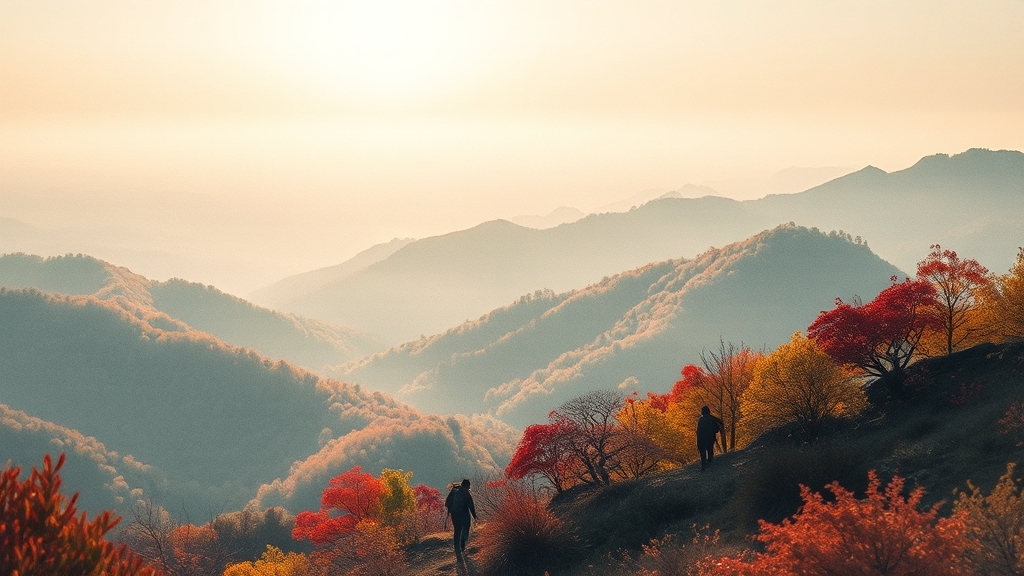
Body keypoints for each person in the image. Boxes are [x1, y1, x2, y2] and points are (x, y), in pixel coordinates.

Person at [444, 478, 478, 560]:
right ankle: (462, 548)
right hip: (463, 514)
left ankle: (457, 552)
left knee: (457, 531)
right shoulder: (465, 492)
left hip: (454, 514)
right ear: (467, 486)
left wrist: (450, 511)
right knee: (465, 529)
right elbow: (471, 505)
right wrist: (474, 516)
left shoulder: (454, 490)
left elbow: (447, 503)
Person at [696, 405, 725, 471]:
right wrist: (717, 428)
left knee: (703, 453)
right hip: (710, 438)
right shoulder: (712, 419)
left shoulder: (701, 420)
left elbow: (698, 431)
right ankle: (709, 464)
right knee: (710, 451)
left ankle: (704, 466)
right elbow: (717, 427)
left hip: (701, 439)